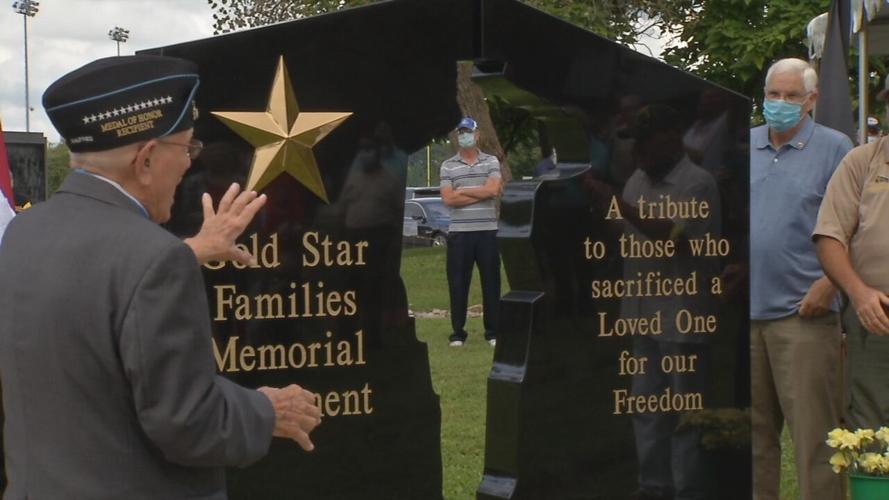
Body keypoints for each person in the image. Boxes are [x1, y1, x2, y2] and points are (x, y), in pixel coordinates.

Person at [0, 55, 322, 500]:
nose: (190, 163)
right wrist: (266, 410)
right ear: (147, 159)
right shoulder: (154, 258)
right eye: (186, 148)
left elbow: (91, 315)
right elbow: (187, 423)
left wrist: (191, 250)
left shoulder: (24, 232)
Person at [750, 58, 852, 500]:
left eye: (792, 95)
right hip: (744, 313)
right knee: (751, 441)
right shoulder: (744, 144)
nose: (780, 103)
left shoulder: (836, 148)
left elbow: (856, 225)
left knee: (815, 441)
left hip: (804, 316)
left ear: (812, 99)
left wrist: (830, 284)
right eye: (773, 94)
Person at [813, 73, 889, 432]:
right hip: (877, 315)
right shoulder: (862, 161)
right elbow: (829, 237)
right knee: (871, 426)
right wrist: (859, 295)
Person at [439, 117, 502, 347]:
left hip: (487, 231)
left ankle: (493, 332)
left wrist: (463, 191)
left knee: (491, 283)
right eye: (461, 133)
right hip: (460, 232)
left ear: (477, 135)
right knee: (458, 283)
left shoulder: (491, 161)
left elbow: (493, 190)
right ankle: (458, 333)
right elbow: (448, 199)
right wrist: (480, 191)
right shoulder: (448, 165)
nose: (464, 136)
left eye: (468, 132)